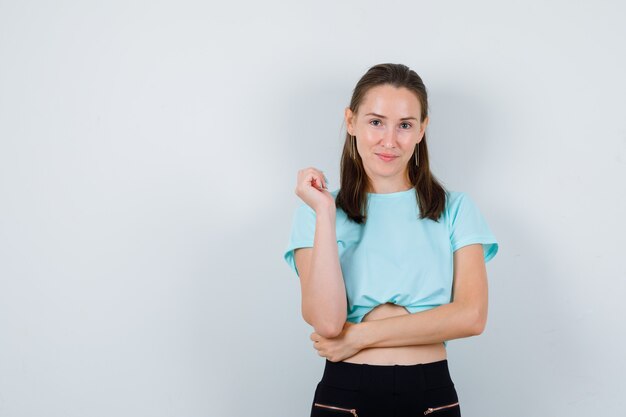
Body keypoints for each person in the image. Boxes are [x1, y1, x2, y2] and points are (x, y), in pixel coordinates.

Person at [283, 63, 499, 417]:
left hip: (431, 392)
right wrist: (325, 212)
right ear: (351, 122)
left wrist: (360, 336)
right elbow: (326, 323)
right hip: (344, 391)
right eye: (376, 121)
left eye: (404, 125)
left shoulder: (456, 208)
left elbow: (471, 316)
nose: (389, 140)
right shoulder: (316, 213)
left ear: (422, 129)